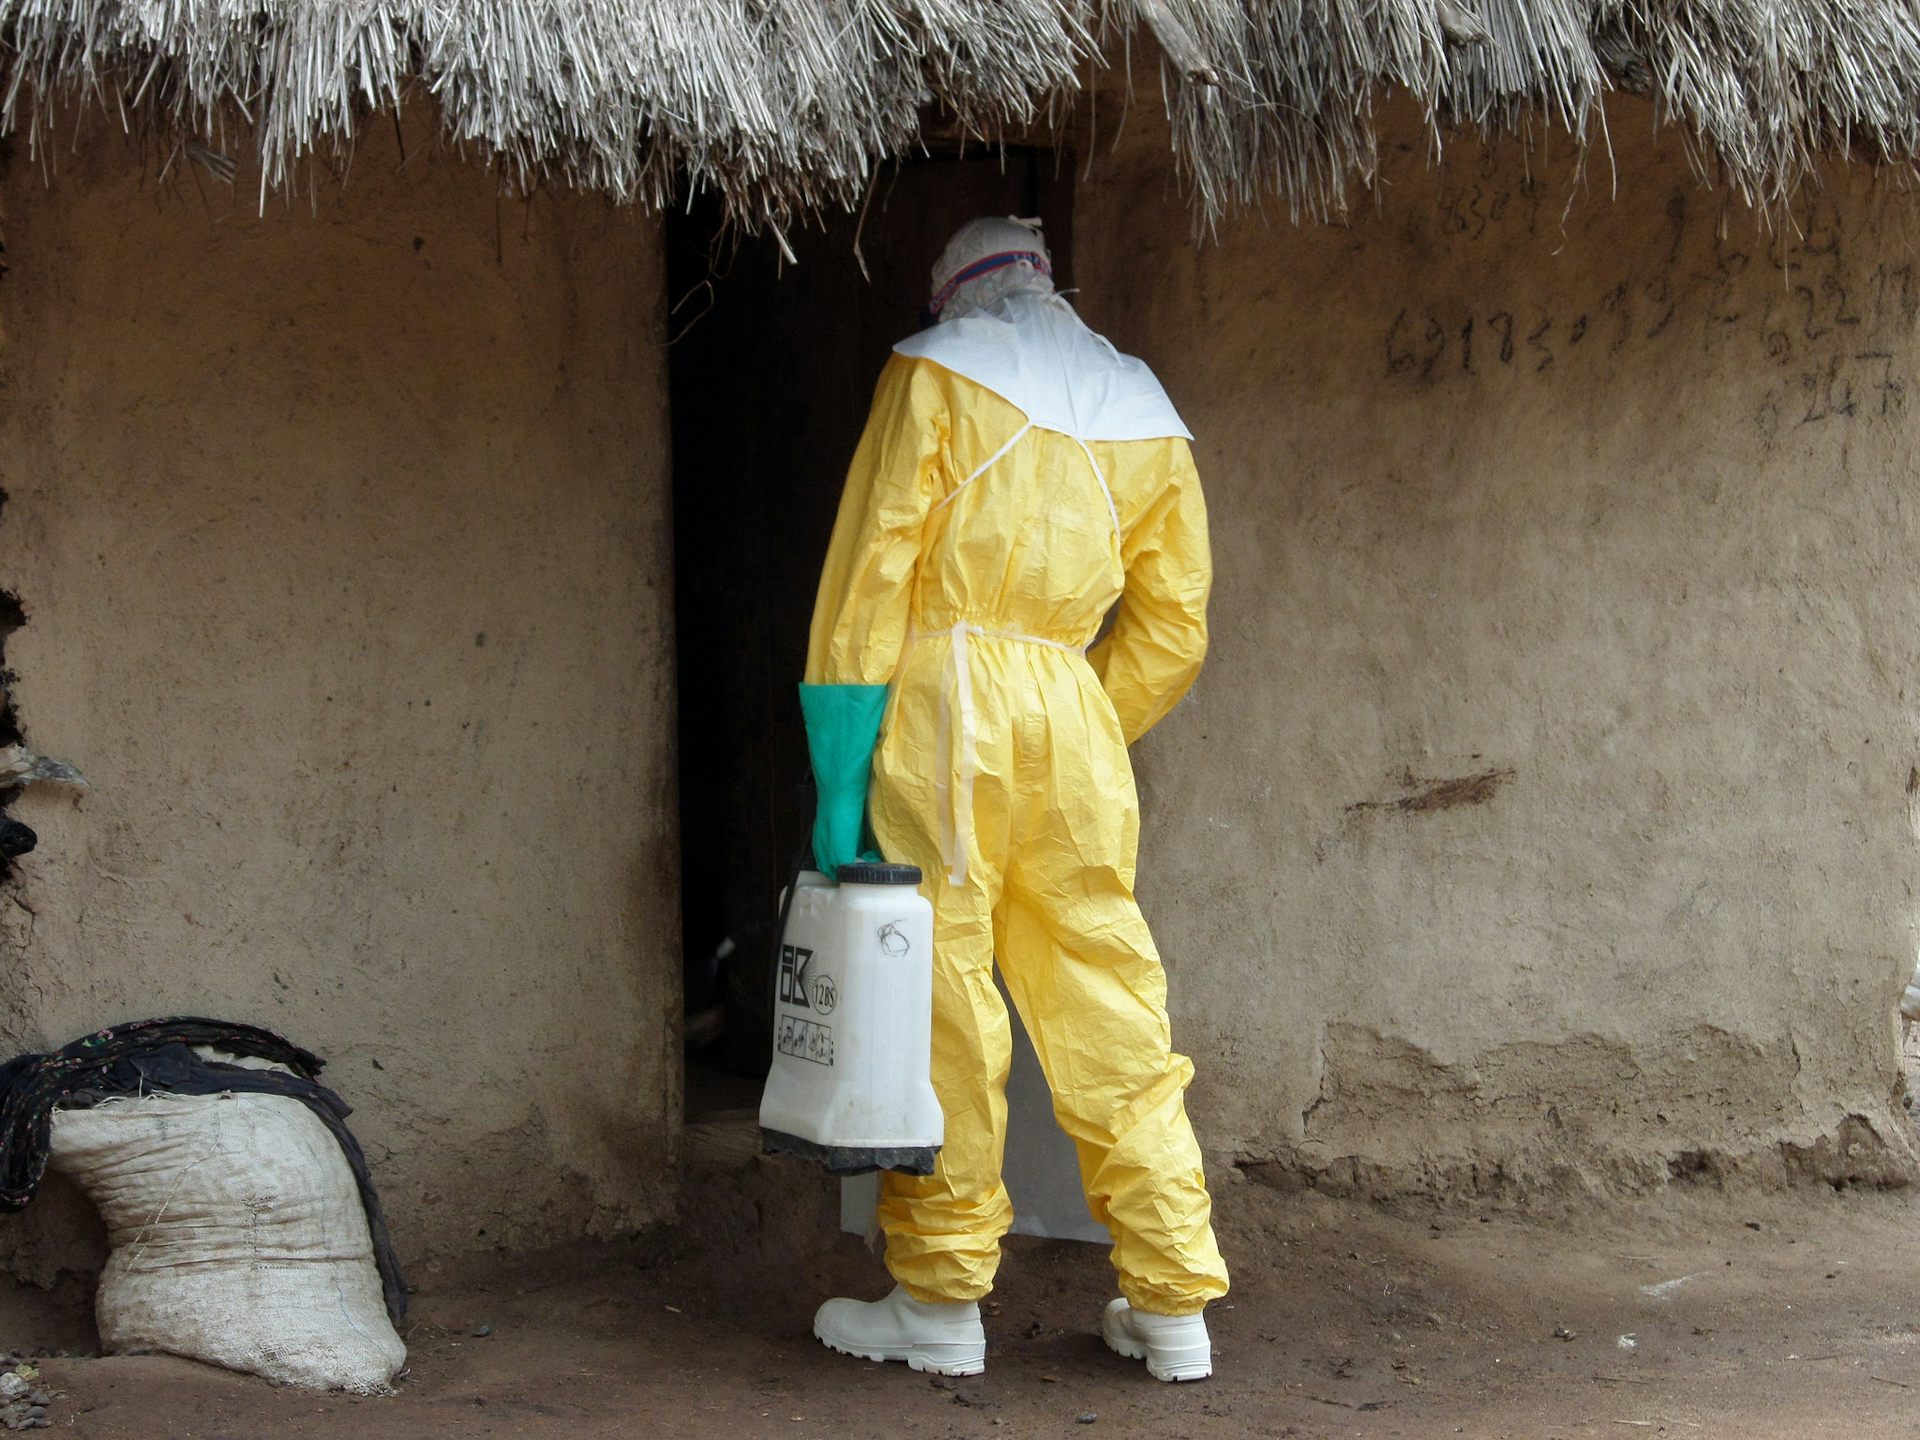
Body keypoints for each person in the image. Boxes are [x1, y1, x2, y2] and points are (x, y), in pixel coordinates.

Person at [798, 217, 1229, 1382]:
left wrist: (841, 764)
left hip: (947, 703)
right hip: (1074, 712)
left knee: (941, 1002)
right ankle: (1173, 1301)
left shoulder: (932, 371)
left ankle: (940, 1301)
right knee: (1113, 1003)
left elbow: (870, 573)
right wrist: (1082, 721)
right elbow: (1176, 626)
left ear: (952, 298)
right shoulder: (1146, 409)